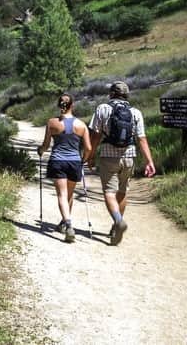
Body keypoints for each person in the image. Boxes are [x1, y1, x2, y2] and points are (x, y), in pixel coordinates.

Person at [86, 80, 156, 245]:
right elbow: (142, 138)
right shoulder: (136, 112)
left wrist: (90, 155)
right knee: (122, 191)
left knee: (109, 192)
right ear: (127, 95)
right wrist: (149, 161)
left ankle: (118, 220)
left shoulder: (103, 109)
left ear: (111, 94)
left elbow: (95, 135)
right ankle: (116, 226)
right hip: (129, 156)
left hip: (108, 157)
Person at [37, 93, 92, 242]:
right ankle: (64, 222)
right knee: (69, 194)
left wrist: (40, 151)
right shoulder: (81, 125)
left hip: (58, 161)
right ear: (72, 105)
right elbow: (88, 148)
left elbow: (46, 145)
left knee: (62, 194)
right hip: (74, 162)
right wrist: (83, 161)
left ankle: (68, 224)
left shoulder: (52, 123)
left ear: (58, 105)